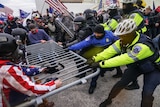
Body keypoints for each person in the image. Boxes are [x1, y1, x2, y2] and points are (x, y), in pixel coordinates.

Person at [88, 19, 160, 107]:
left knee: (147, 93)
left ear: (132, 34)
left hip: (153, 69)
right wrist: (95, 58)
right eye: (119, 36)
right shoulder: (124, 41)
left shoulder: (143, 46)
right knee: (121, 83)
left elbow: (124, 59)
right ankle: (108, 100)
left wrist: (101, 64)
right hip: (138, 65)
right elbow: (110, 51)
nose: (120, 38)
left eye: (123, 36)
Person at [0, 33, 62, 107]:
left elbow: (21, 70)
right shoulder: (6, 70)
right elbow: (31, 89)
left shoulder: (4, 65)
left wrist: (42, 69)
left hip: (14, 98)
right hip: (14, 103)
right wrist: (53, 85)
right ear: (7, 53)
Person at [69, 25, 121, 94]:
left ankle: (94, 83)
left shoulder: (110, 35)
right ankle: (87, 79)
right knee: (90, 64)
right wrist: (70, 48)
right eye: (95, 33)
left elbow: (119, 43)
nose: (96, 34)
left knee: (102, 66)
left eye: (98, 33)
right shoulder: (92, 37)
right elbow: (82, 43)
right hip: (97, 51)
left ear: (103, 32)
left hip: (109, 52)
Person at [121, 0, 147, 90]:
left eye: (124, 5)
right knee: (130, 61)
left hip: (136, 40)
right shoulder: (131, 14)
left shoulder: (135, 15)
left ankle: (135, 83)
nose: (123, 7)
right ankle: (132, 79)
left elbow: (128, 28)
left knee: (132, 61)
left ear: (130, 5)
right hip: (132, 39)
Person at [101, 3, 123, 78]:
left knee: (111, 55)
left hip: (113, 39)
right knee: (114, 55)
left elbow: (107, 29)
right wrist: (99, 26)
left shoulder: (114, 19)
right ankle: (117, 71)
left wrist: (99, 30)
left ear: (113, 10)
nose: (108, 11)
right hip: (114, 39)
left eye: (109, 10)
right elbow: (105, 25)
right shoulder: (114, 18)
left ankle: (105, 69)